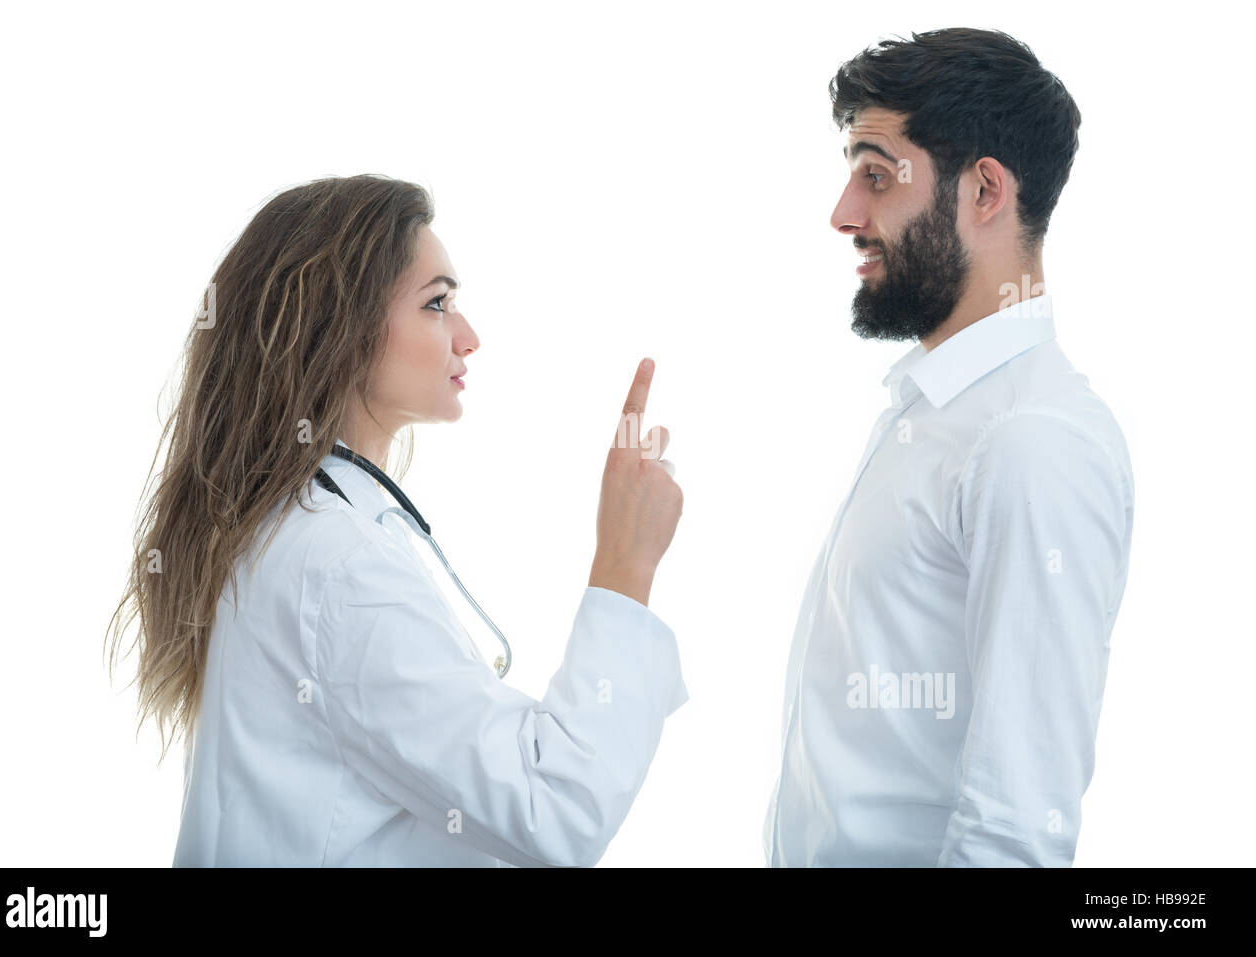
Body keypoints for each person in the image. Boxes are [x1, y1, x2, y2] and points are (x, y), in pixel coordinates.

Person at [105, 174, 687, 867]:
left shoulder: (300, 532)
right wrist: (625, 564)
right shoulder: (337, 563)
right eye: (436, 304)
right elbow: (551, 807)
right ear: (340, 332)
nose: (468, 337)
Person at [763, 28, 1135, 866]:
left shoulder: (1029, 440)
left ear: (984, 190)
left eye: (876, 172)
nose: (843, 214)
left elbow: (1016, 829)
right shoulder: (937, 409)